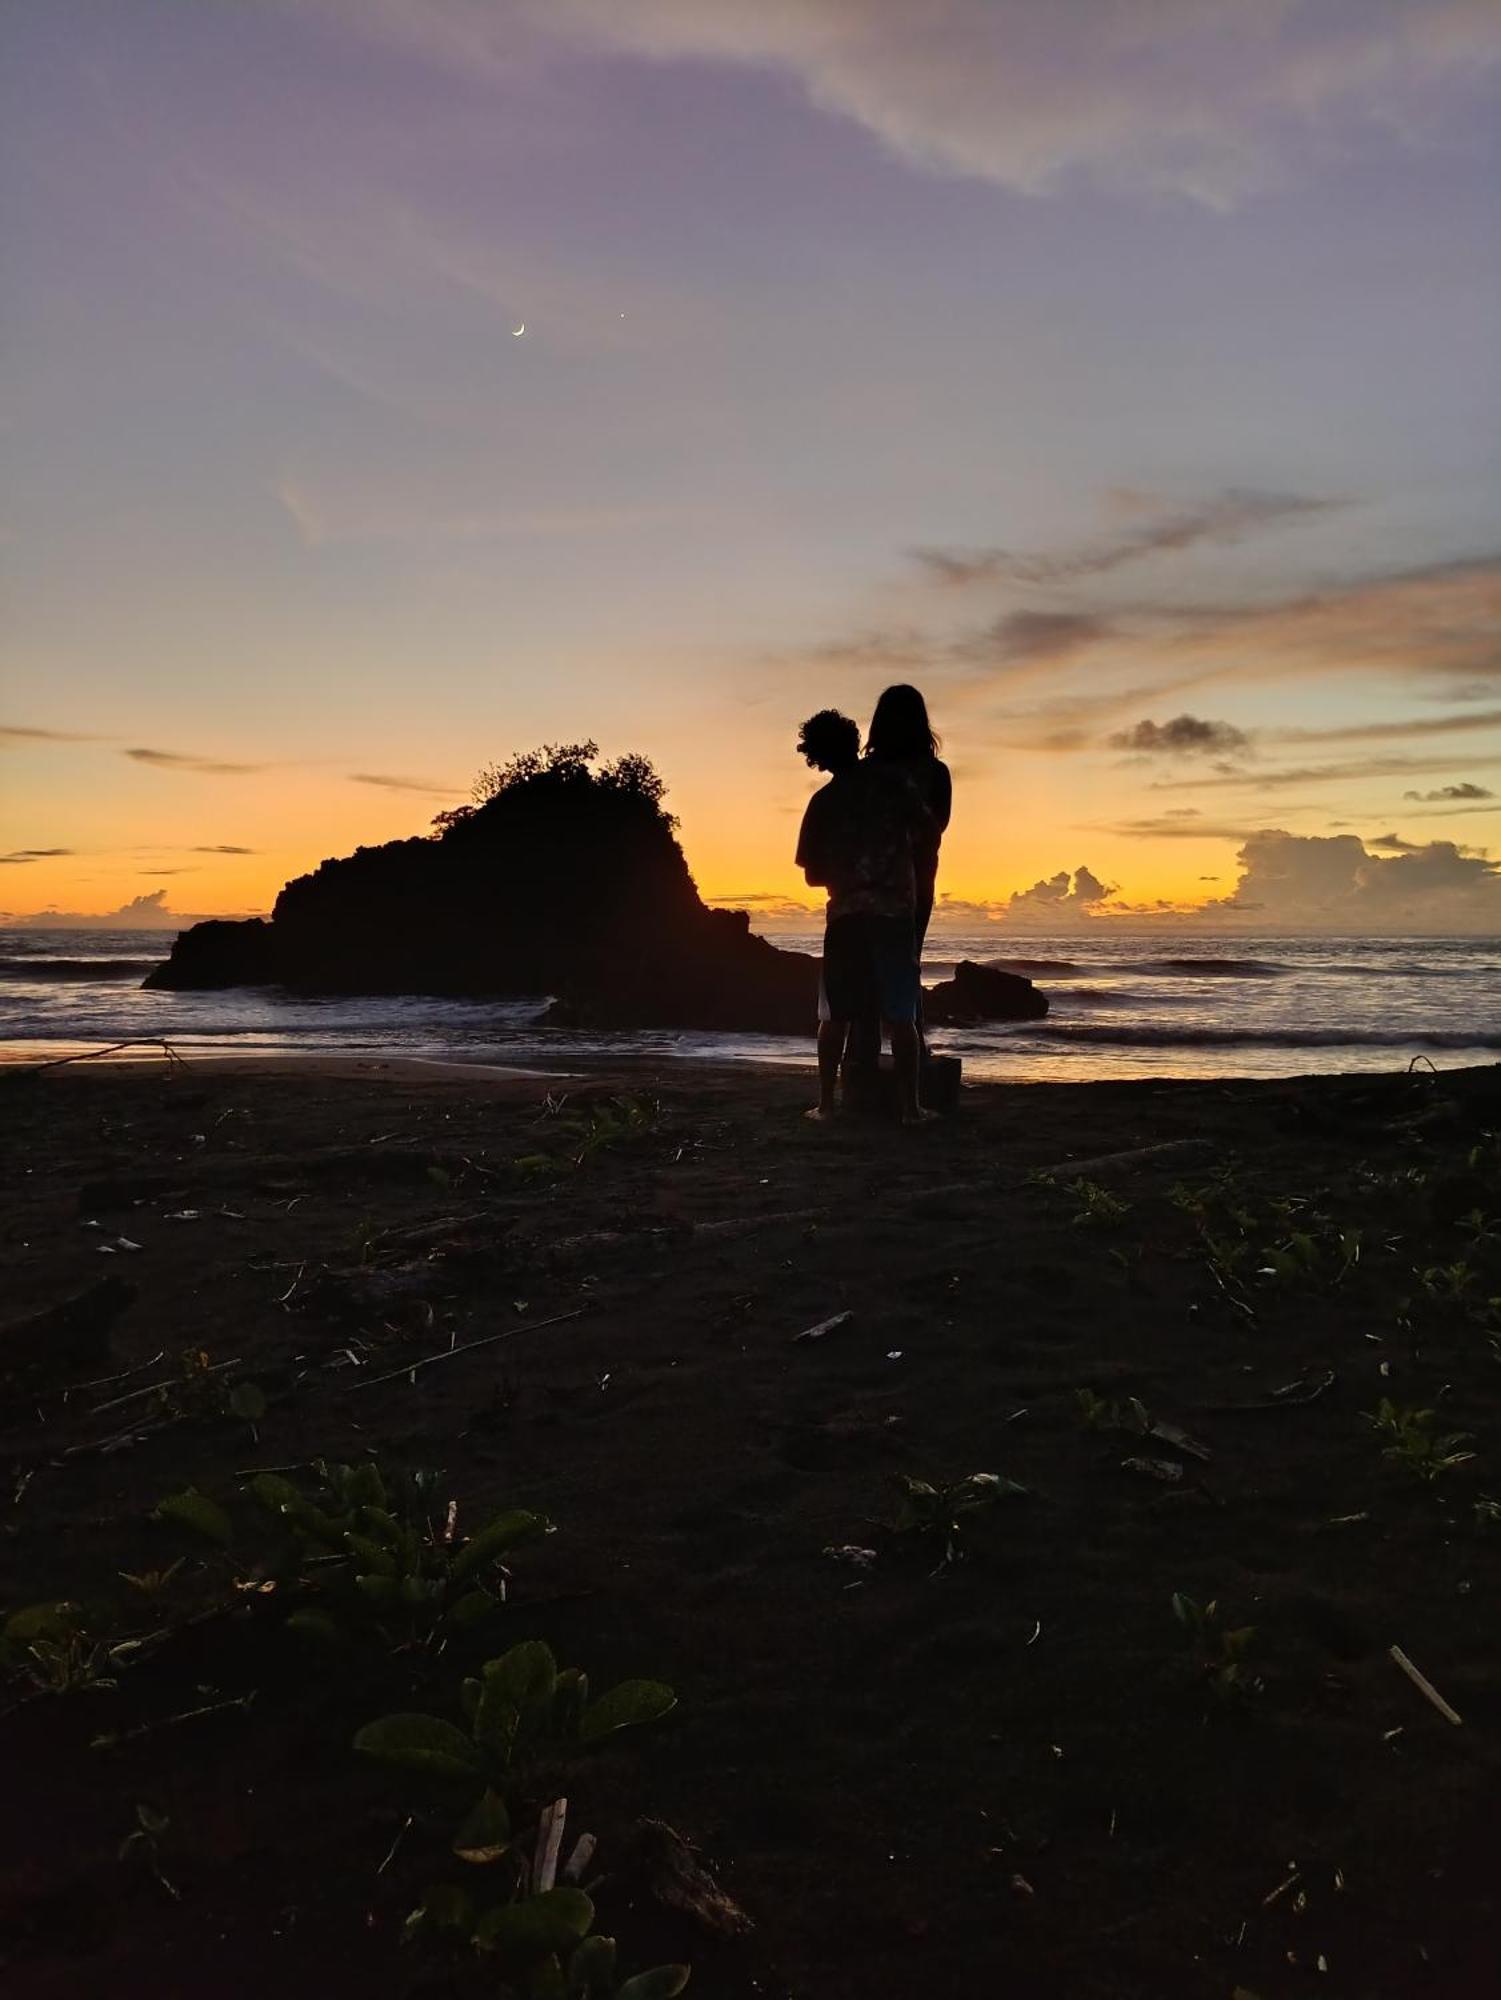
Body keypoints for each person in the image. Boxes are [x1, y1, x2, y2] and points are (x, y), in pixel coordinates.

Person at [794, 708, 935, 1125]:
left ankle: (826, 1105)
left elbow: (811, 875)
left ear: (815, 757)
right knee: (901, 1014)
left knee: (835, 1014)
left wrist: (850, 873)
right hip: (893, 913)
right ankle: (910, 1109)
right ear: (854, 740)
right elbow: (929, 831)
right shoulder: (894, 785)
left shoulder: (823, 802)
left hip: (846, 916)